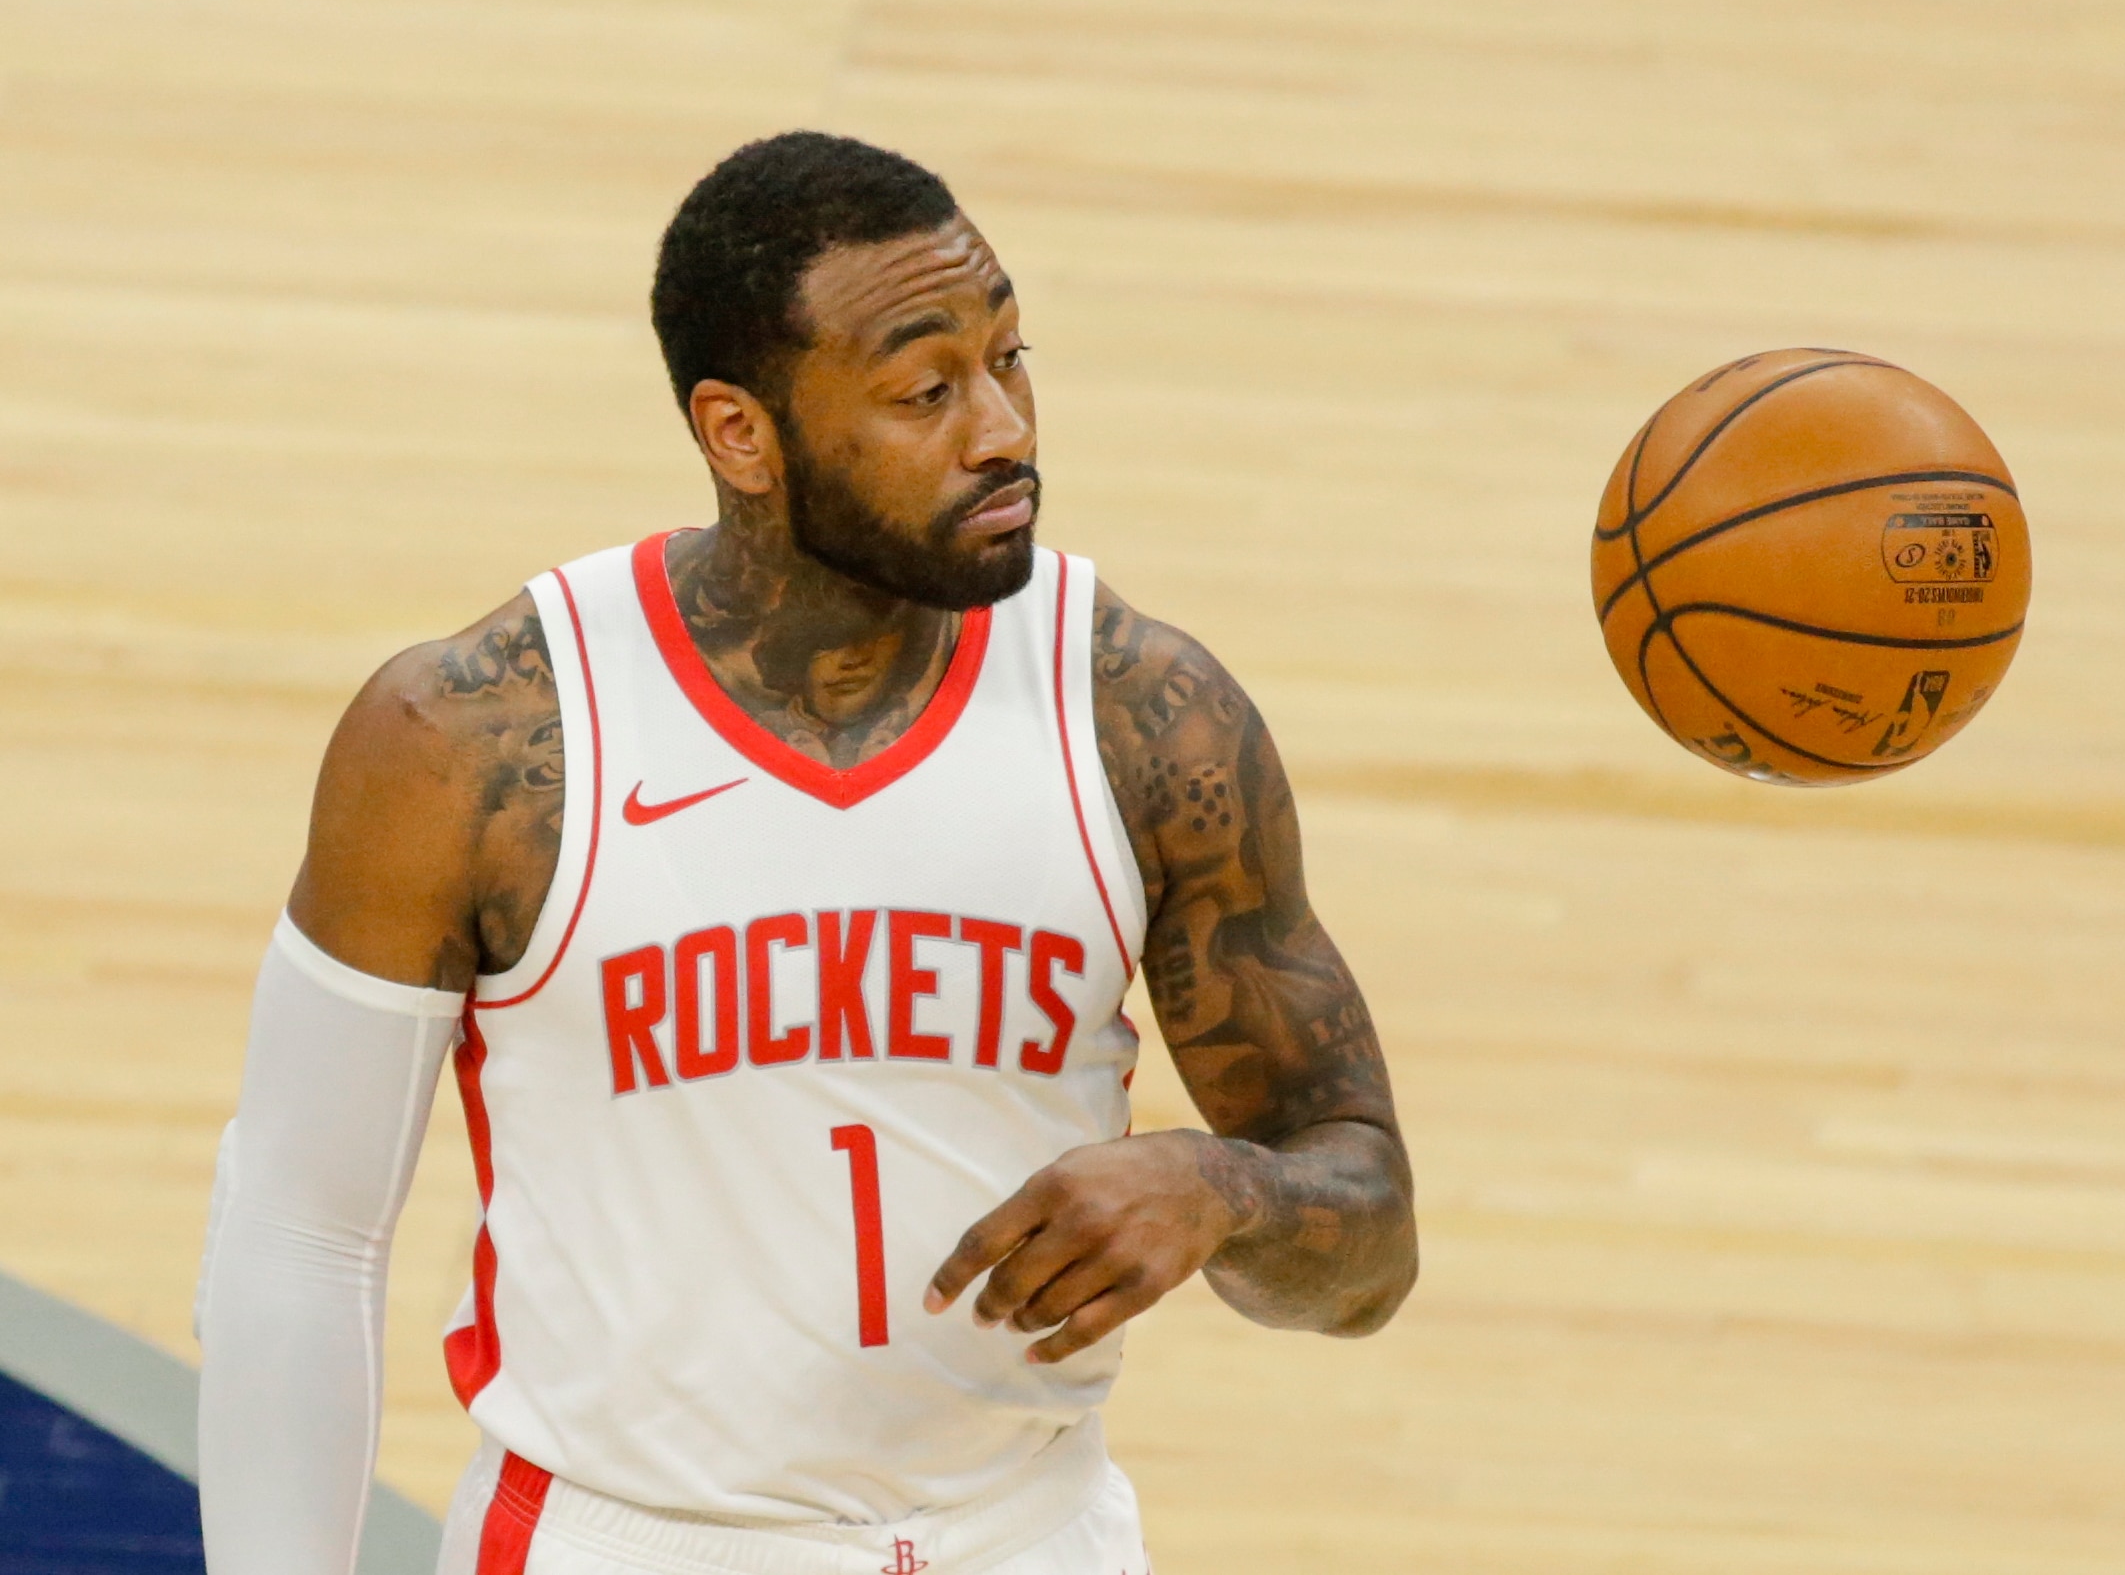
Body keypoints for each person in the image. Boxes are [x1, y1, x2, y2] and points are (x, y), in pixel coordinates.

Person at [195, 131, 1418, 1575]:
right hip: (626, 1541)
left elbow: (1369, 1243)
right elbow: (299, 1230)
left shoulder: (1144, 714)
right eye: (927, 390)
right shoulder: (476, 736)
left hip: (1029, 1535)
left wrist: (1225, 1188)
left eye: (1011, 356)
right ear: (739, 434)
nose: (1005, 429)